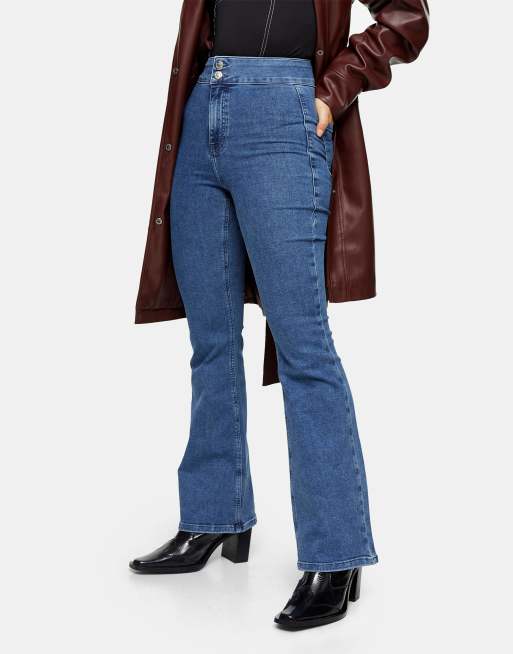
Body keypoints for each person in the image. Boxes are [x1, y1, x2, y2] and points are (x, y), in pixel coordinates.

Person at [131, 0, 429, 631]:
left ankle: (337, 554)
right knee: (211, 342)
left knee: (303, 346)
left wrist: (331, 92)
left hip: (286, 114)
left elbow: (407, 17)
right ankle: (214, 516)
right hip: (202, 105)